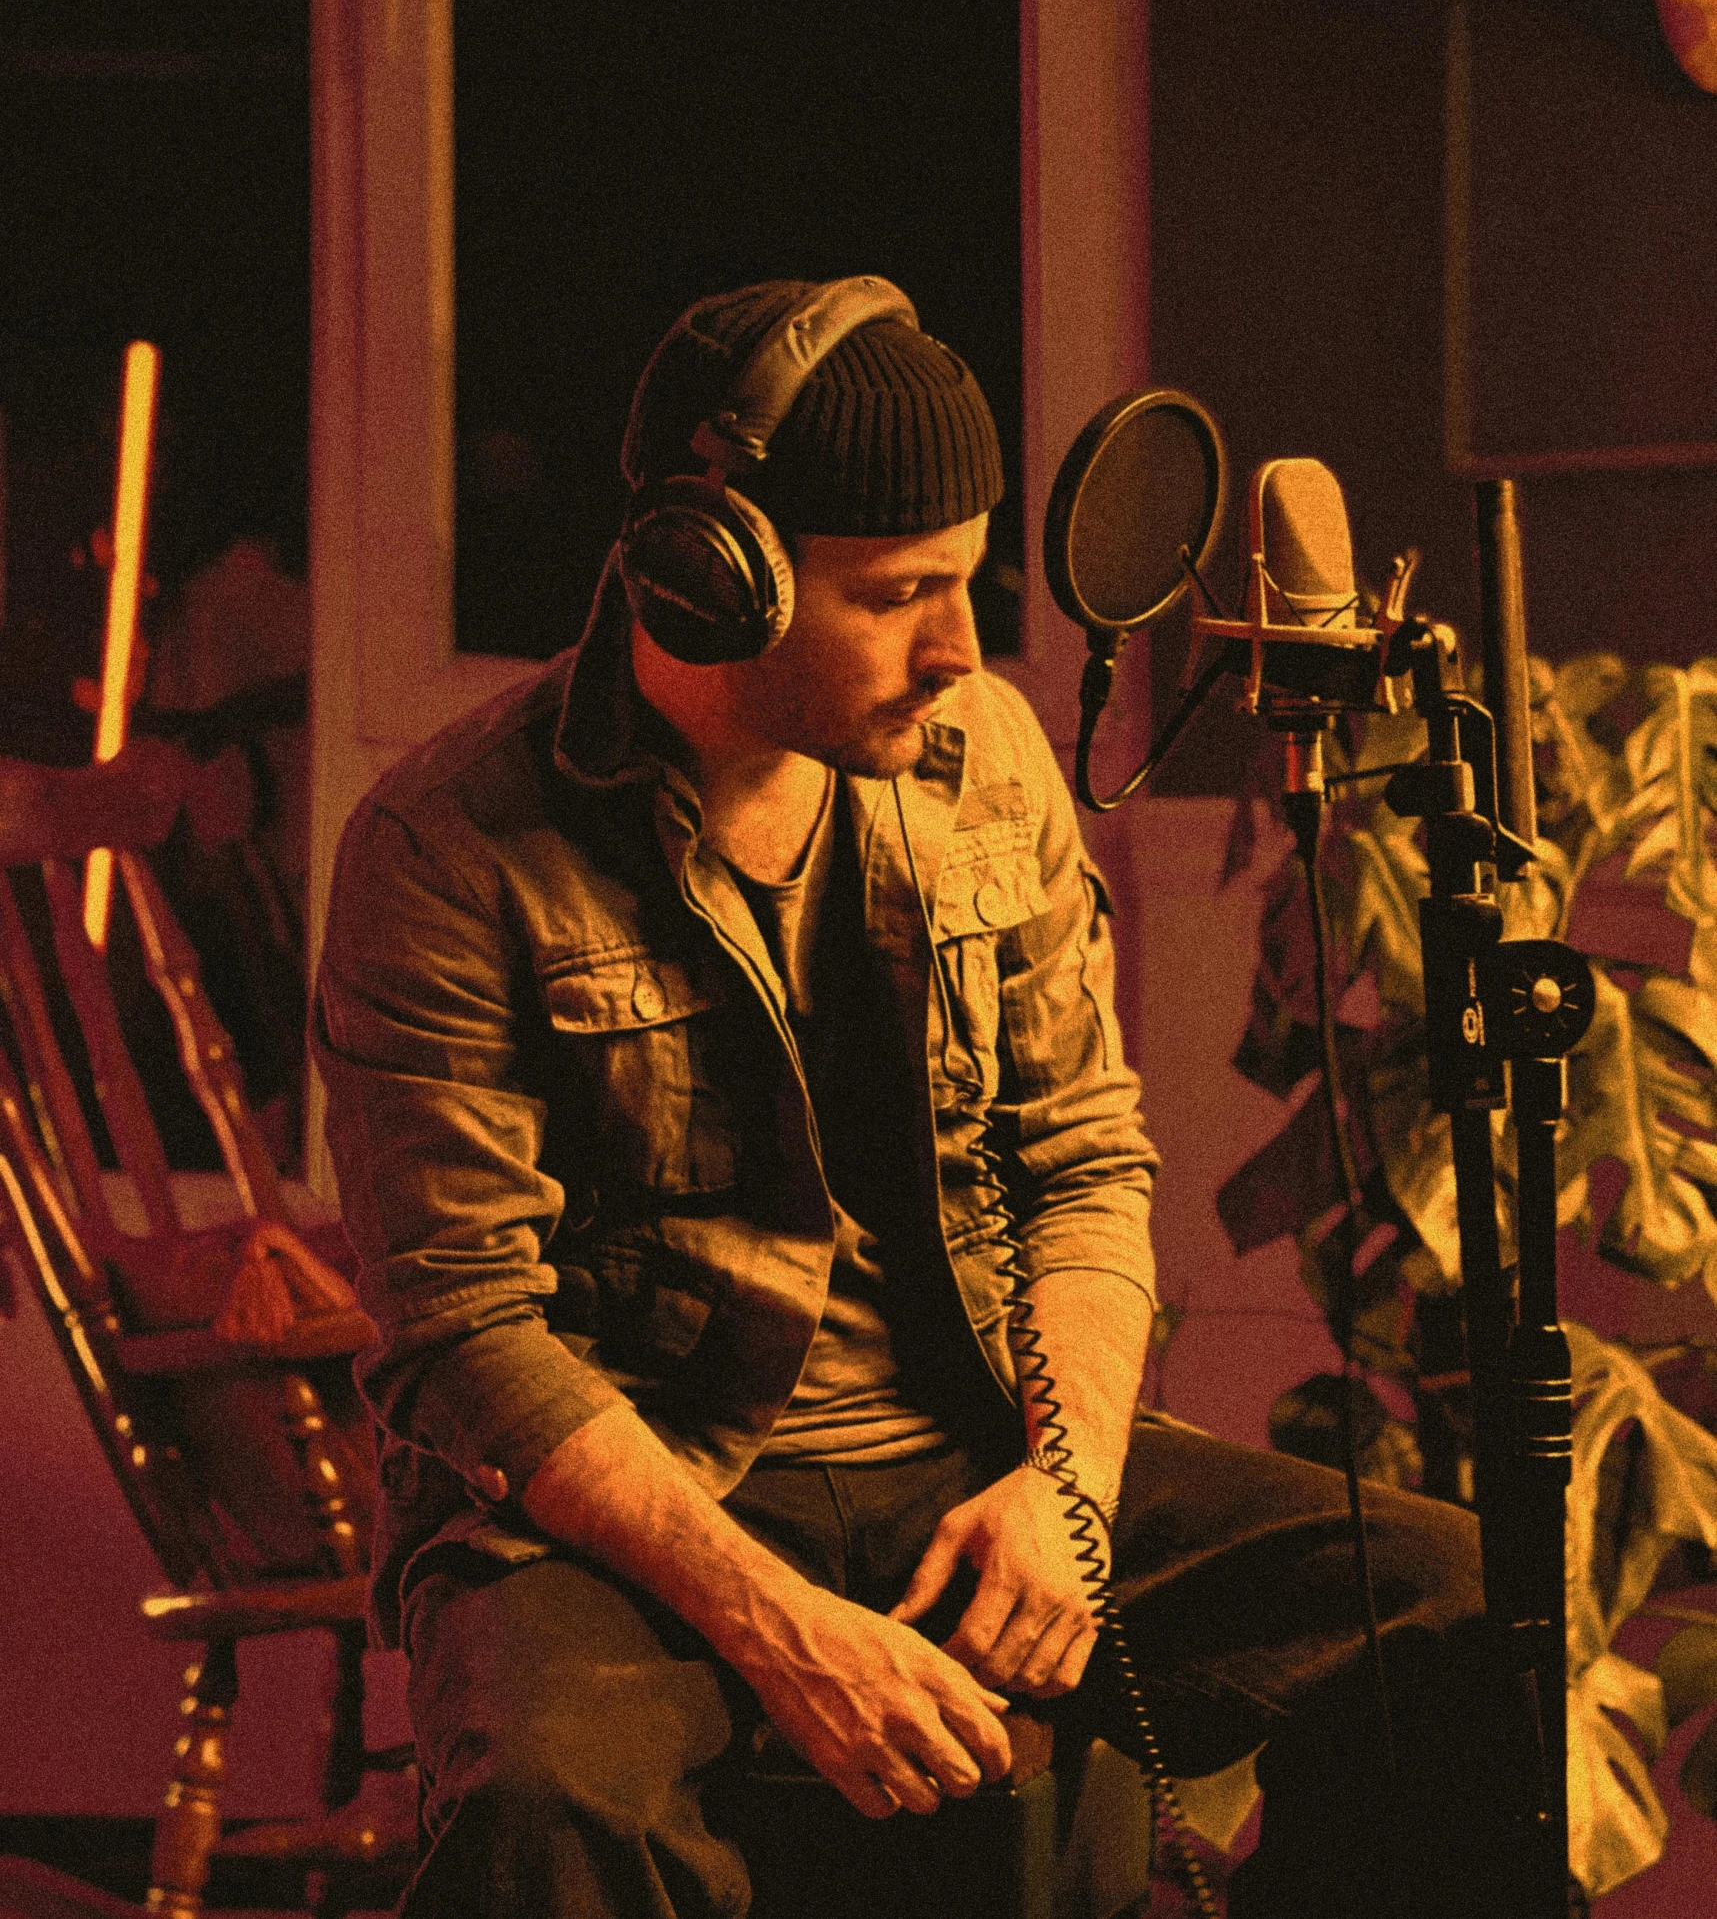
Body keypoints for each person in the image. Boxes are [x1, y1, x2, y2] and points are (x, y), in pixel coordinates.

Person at [314, 278, 1538, 1918]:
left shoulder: (988, 759)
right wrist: (777, 1625)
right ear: (714, 573)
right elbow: (464, 1331)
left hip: (962, 1454)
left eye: (969, 582)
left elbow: (1086, 1161)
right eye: (901, 593)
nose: (960, 647)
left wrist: (1069, 1490)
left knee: (1442, 1610)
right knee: (547, 1806)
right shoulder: (446, 843)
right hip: (631, 1516)